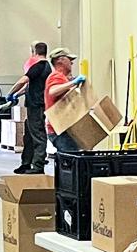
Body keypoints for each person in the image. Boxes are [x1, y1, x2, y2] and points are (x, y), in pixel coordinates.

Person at [6, 42, 52, 174]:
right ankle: (26, 163)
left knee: (38, 135)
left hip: (36, 106)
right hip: (35, 105)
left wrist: (10, 93)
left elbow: (23, 81)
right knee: (29, 136)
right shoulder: (46, 67)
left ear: (34, 52)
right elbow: (30, 86)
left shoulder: (39, 66)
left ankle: (38, 166)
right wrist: (17, 94)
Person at [44, 49, 88, 154]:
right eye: (70, 59)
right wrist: (73, 83)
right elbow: (53, 91)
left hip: (63, 128)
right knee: (71, 161)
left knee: (69, 161)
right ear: (60, 60)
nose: (72, 63)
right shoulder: (56, 76)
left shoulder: (62, 78)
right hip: (59, 129)